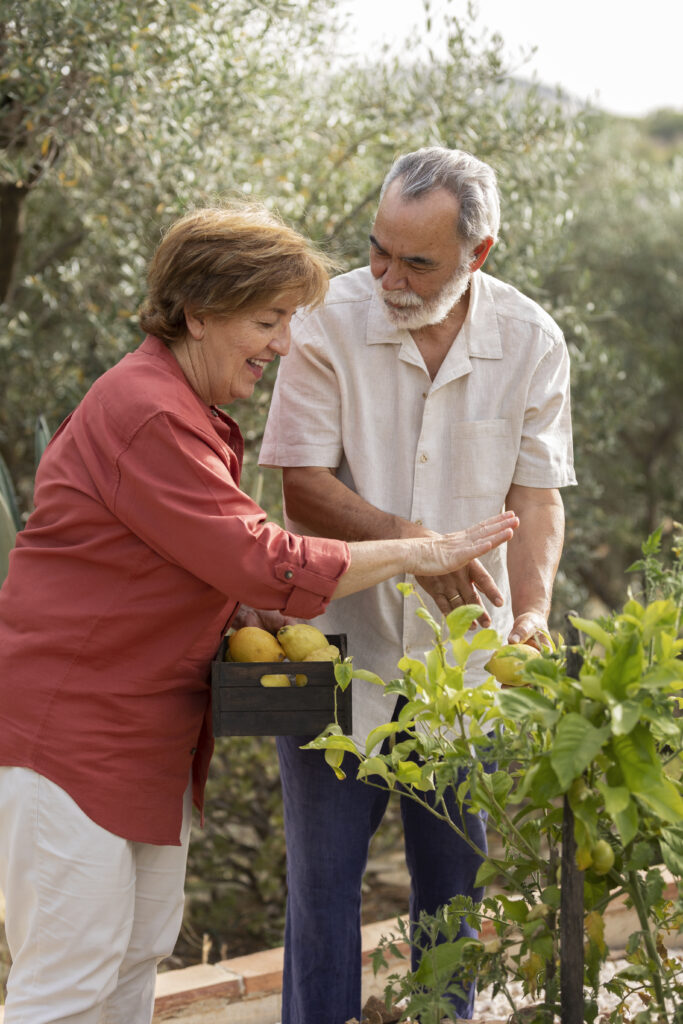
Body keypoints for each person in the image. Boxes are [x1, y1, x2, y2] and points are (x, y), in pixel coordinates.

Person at [0, 200, 517, 1024]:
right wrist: (418, 552)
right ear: (198, 314)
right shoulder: (147, 410)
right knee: (68, 982)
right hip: (73, 739)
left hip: (142, 741)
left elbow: (192, 562)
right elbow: (264, 556)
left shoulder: (189, 412)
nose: (282, 344)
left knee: (129, 962)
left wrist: (242, 607)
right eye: (268, 321)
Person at [259, 146, 577, 1022]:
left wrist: (535, 611)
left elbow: (537, 496)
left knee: (453, 897)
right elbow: (302, 486)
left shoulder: (531, 340)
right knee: (321, 896)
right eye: (377, 250)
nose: (386, 275)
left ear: (478, 255)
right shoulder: (326, 320)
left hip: (463, 668)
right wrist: (417, 547)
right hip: (330, 653)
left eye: (416, 261)